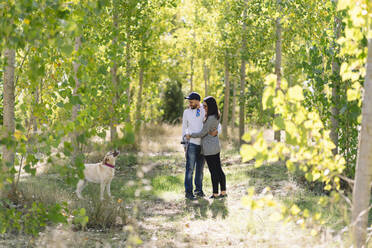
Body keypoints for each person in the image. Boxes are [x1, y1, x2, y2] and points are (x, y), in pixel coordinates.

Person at [186, 96, 227, 199]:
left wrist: (190, 135)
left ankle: (215, 193)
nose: (203, 107)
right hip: (215, 146)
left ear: (210, 106)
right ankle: (223, 192)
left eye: (205, 106)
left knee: (213, 171)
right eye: (203, 106)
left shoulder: (210, 118)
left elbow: (202, 133)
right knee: (219, 169)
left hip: (209, 148)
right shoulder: (216, 115)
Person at [182, 92, 218, 200]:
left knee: (200, 170)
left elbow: (216, 122)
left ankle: (198, 191)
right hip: (192, 144)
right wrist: (183, 143)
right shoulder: (186, 112)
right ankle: (188, 193)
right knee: (190, 169)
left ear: (197, 100)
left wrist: (217, 131)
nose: (189, 103)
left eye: (191, 101)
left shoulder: (205, 110)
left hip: (203, 144)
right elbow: (184, 127)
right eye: (189, 101)